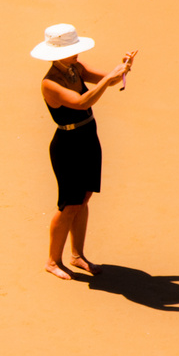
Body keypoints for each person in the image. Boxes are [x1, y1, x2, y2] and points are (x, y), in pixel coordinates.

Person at [31, 24, 136, 280]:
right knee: (68, 205)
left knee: (84, 198)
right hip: (68, 145)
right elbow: (81, 102)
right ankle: (52, 261)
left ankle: (77, 255)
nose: (77, 54)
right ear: (56, 54)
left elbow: (107, 79)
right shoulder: (49, 83)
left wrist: (123, 68)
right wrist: (111, 77)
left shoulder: (74, 68)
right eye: (71, 50)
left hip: (88, 137)